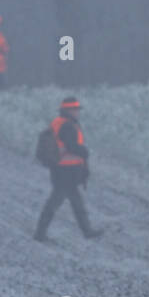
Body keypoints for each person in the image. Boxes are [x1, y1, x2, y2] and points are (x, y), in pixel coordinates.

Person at [34, 96, 102, 241]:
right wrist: (84, 151)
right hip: (65, 171)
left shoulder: (60, 123)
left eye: (77, 109)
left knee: (76, 201)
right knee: (55, 202)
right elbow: (71, 146)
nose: (77, 112)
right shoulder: (67, 126)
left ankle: (87, 230)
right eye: (75, 109)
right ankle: (40, 233)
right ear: (68, 110)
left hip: (62, 170)